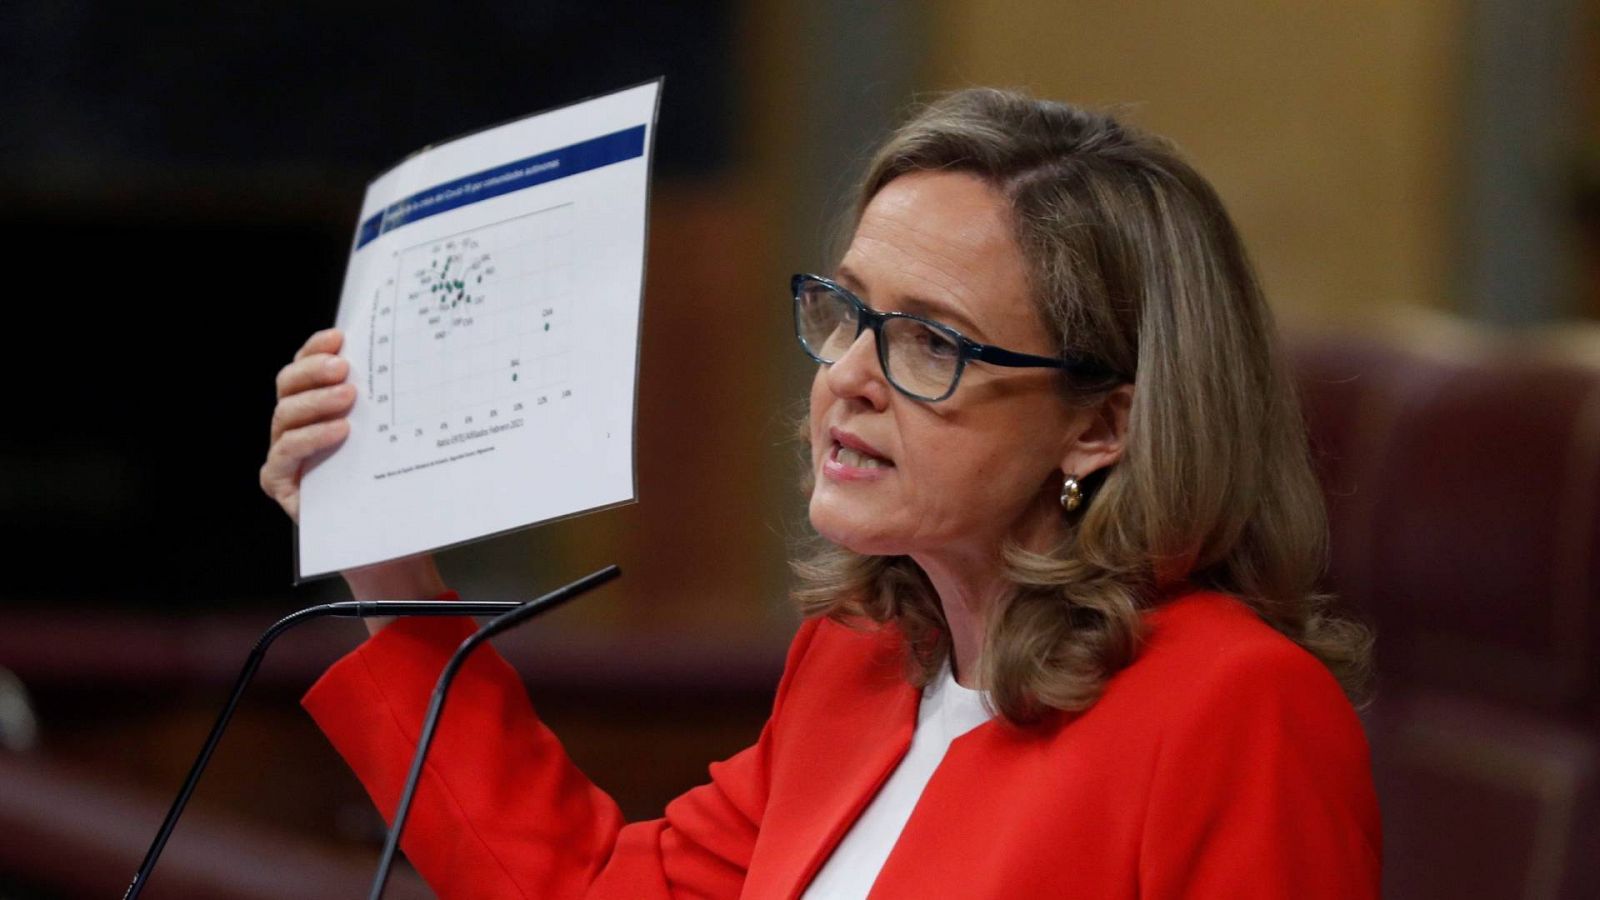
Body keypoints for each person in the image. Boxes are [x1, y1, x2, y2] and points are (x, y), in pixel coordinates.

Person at [261, 88, 1380, 898]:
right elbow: (589, 887)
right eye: (845, 313)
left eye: (929, 341)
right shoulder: (860, 662)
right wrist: (388, 560)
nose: (845, 377)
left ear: (1099, 425)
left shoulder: (1237, 710)